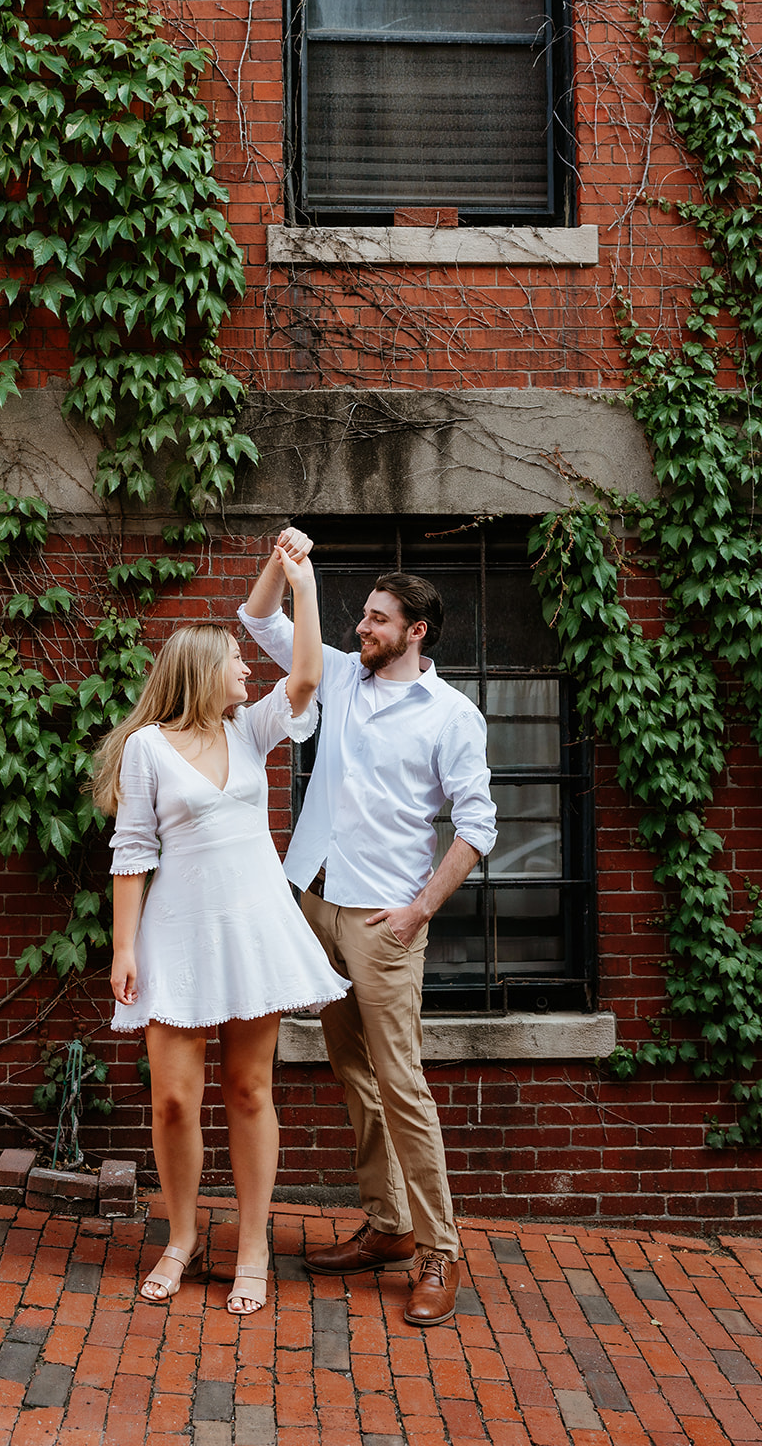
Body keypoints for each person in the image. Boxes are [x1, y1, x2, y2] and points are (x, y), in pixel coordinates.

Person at [240, 528, 497, 1327]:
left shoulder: (450, 715)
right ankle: (387, 1227)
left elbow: (477, 827)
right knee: (352, 1074)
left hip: (385, 919)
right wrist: (283, 565)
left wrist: (420, 908)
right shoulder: (340, 677)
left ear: (416, 631)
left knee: (402, 1084)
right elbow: (257, 622)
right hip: (314, 899)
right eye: (363, 614)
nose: (362, 627)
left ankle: (438, 1250)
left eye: (379, 620)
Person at [91, 547, 348, 1316]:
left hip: (251, 930)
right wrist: (124, 947)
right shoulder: (147, 748)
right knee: (172, 1099)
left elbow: (304, 678)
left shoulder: (252, 731)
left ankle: (253, 1241)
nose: (248, 672)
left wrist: (300, 585)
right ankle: (180, 1236)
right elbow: (132, 851)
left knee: (247, 1088)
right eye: (236, 662)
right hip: (176, 935)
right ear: (202, 673)